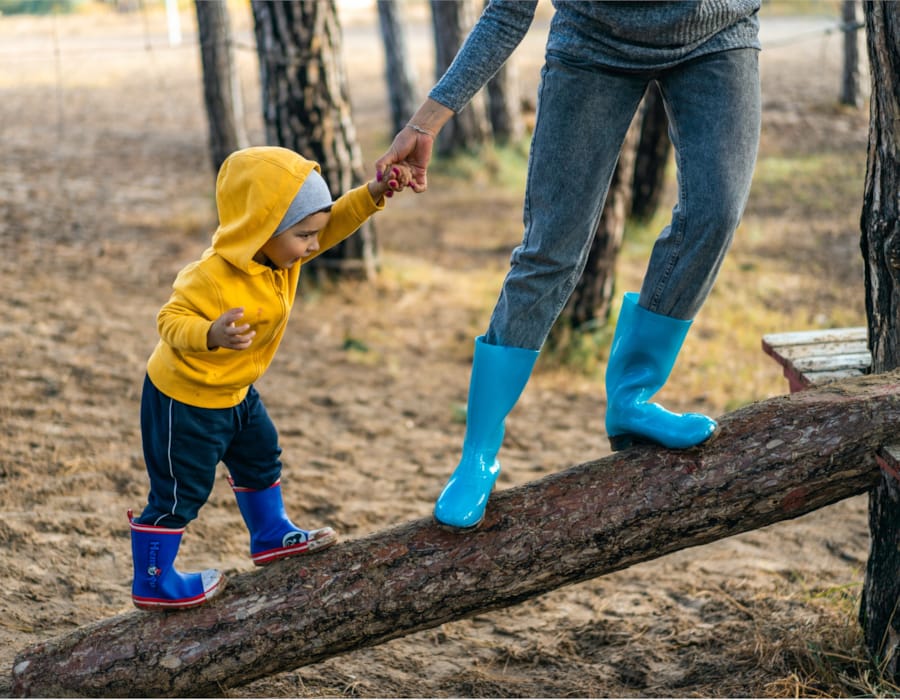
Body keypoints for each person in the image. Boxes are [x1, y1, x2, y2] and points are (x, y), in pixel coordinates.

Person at [375, 0, 762, 531]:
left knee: (715, 215)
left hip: (719, 32)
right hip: (593, 42)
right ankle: (478, 455)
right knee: (549, 251)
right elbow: (507, 11)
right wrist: (429, 119)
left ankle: (633, 398)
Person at [129, 146, 411, 610]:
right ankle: (154, 580)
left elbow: (333, 222)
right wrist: (210, 333)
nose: (314, 245)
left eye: (313, 234)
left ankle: (270, 534)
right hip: (187, 399)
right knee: (181, 491)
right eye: (304, 235)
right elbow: (168, 319)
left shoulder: (284, 255)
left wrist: (375, 192)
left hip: (236, 392)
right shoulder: (211, 276)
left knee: (261, 455)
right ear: (262, 229)